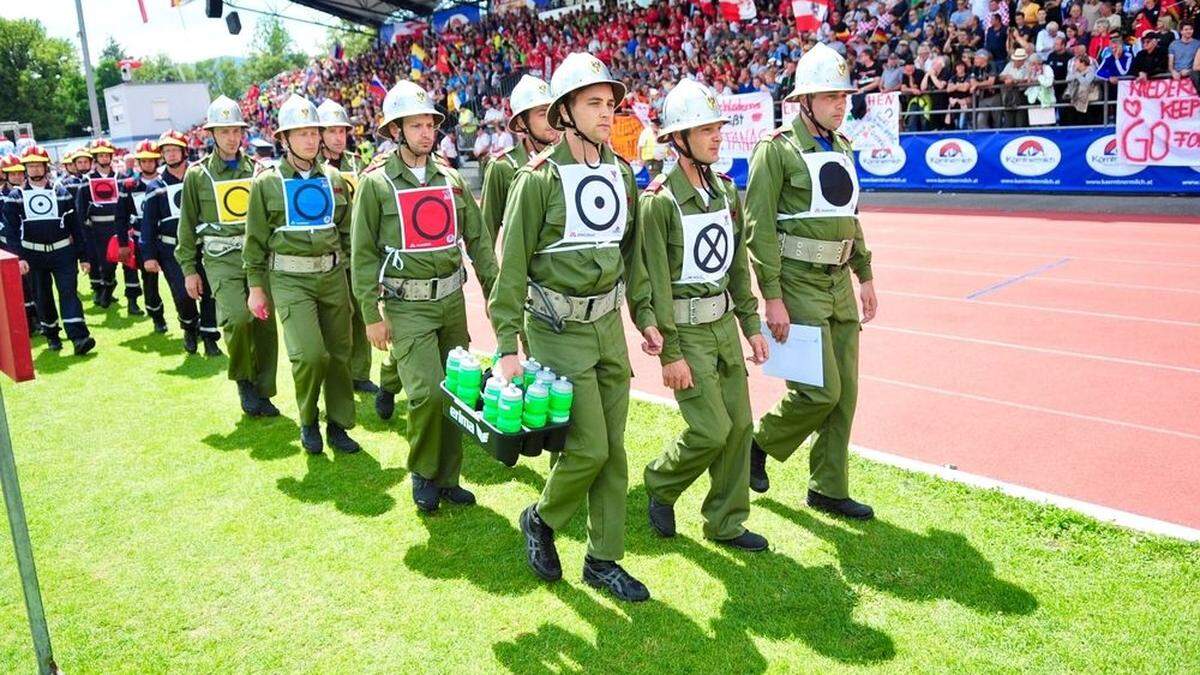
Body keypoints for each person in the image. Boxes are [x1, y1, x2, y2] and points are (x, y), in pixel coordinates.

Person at [489, 52, 660, 603]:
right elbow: (510, 267)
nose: (608, 113)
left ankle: (603, 560)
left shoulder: (621, 172)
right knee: (588, 449)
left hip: (608, 328)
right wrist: (505, 347)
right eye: (594, 103)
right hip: (557, 331)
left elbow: (631, 256)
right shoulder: (536, 180)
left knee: (615, 450)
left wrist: (646, 318)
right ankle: (540, 518)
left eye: (611, 103)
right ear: (564, 111)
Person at [744, 43, 878, 520]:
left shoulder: (842, 148)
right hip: (797, 281)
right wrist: (772, 298)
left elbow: (850, 216)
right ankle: (757, 446)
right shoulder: (776, 149)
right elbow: (757, 226)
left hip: (839, 280)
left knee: (847, 393)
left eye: (843, 96)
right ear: (804, 100)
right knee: (819, 392)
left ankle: (828, 487)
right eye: (829, 96)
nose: (840, 104)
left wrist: (864, 274)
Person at [350, 80, 498, 512]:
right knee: (427, 395)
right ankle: (423, 472)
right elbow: (361, 255)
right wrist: (370, 314)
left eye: (429, 124)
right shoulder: (376, 185)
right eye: (414, 126)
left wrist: (494, 293)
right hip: (406, 305)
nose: (425, 133)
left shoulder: (451, 178)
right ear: (395, 131)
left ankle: (448, 477)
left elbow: (479, 240)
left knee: (456, 392)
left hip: (451, 300)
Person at [639, 79, 771, 552]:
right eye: (705, 129)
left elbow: (736, 266)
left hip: (723, 325)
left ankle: (726, 522)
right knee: (711, 429)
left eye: (718, 127)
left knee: (740, 427)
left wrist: (751, 326)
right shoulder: (658, 202)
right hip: (686, 330)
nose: (717, 136)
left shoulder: (726, 192)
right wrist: (669, 353)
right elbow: (652, 282)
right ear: (678, 139)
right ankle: (660, 482)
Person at [244, 94, 361, 454]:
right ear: (284, 139)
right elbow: (255, 240)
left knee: (340, 353)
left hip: (332, 276)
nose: (311, 140)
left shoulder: (335, 178)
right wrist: (256, 288)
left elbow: (348, 234)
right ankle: (309, 419)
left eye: (314, 132)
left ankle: (339, 424)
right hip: (290, 279)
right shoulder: (266, 183)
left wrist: (355, 280)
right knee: (310, 355)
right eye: (302, 134)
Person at [177, 95, 281, 418]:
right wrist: (189, 269)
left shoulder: (259, 171)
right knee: (237, 318)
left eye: (236, 131)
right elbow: (187, 224)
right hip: (221, 258)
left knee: (263, 324)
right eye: (224, 132)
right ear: (212, 135)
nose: (232, 138)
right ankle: (244, 381)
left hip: (258, 258)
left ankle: (263, 391)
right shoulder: (197, 175)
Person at [2, 146, 95, 355]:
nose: (34, 170)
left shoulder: (61, 193)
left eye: (38, 165)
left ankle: (79, 337)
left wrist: (83, 256)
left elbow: (75, 227)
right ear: (25, 168)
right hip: (33, 255)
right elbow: (11, 231)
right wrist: (18, 258)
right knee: (42, 296)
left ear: (46, 166)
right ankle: (52, 334)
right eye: (30, 166)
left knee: (69, 293)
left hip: (63, 252)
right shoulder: (15, 197)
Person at [317, 98, 378, 396]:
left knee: (362, 312)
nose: (339, 138)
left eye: (342, 131)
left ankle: (360, 372)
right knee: (337, 318)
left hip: (359, 249)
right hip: (330, 252)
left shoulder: (358, 163)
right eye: (332, 132)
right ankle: (337, 374)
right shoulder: (315, 168)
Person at [141, 129, 218, 355]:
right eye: (166, 151)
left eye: (175, 150)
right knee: (183, 294)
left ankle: (210, 336)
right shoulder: (155, 187)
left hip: (204, 245)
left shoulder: (200, 179)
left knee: (209, 291)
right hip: (171, 249)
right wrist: (149, 255)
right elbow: (148, 224)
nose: (171, 155)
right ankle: (189, 328)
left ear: (184, 151)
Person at [480, 75, 559, 242]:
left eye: (553, 112)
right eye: (543, 114)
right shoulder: (503, 167)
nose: (551, 120)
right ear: (522, 122)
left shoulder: (568, 160)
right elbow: (487, 233)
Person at [77, 138, 139, 312]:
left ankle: (133, 301)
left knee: (130, 265)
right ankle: (107, 289)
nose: (104, 158)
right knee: (106, 265)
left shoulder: (122, 179)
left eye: (106, 155)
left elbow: (131, 205)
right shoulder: (86, 182)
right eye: (100, 155)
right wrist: (87, 233)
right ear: (95, 158)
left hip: (122, 228)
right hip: (99, 231)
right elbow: (81, 211)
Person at [121, 140, 169, 334]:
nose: (148, 164)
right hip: (144, 241)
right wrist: (123, 243)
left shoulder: (166, 182)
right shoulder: (129, 185)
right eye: (144, 161)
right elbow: (120, 216)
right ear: (138, 163)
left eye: (152, 160)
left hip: (167, 239)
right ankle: (157, 317)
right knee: (150, 282)